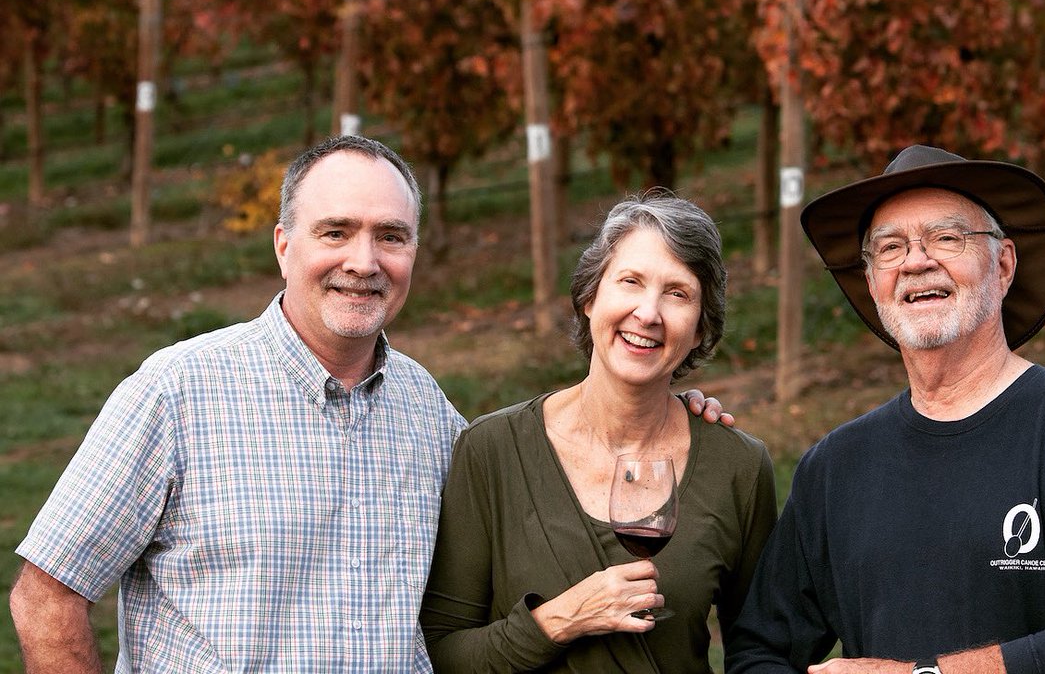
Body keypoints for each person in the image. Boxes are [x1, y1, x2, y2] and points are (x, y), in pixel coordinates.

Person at [8, 135, 730, 673]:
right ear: (284, 245)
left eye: (391, 236)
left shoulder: (430, 414)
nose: (364, 261)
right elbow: (47, 593)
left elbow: (541, 470)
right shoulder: (177, 393)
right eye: (335, 232)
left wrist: (659, 409)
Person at [725, 145, 1045, 674]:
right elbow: (757, 652)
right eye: (890, 248)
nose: (916, 261)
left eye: (946, 237)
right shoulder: (834, 469)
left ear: (1002, 265)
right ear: (872, 284)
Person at [420, 190, 778, 672]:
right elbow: (442, 653)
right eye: (630, 281)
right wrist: (560, 620)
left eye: (677, 293)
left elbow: (760, 653)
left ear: (699, 329)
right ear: (590, 297)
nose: (648, 313)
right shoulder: (491, 451)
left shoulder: (738, 467)